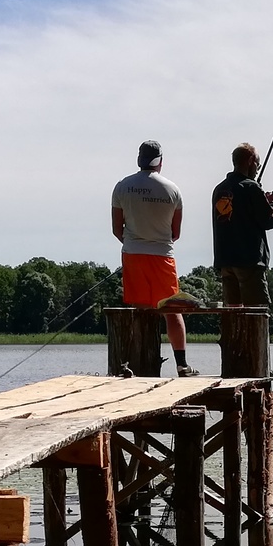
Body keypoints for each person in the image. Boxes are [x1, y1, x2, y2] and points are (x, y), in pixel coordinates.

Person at [111, 140, 197, 376]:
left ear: (139, 159)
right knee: (172, 309)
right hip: (163, 256)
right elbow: (175, 233)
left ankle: (136, 364)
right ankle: (182, 364)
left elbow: (117, 228)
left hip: (132, 254)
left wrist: (133, 243)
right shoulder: (173, 190)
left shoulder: (122, 187)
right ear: (160, 161)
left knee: (140, 310)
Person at [210, 142, 273, 307]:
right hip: (249, 262)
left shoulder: (219, 189)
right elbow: (268, 220)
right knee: (256, 312)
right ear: (250, 161)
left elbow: (239, 210)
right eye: (257, 164)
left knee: (233, 313)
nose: (257, 168)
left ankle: (231, 334)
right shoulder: (252, 188)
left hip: (225, 261)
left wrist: (262, 200)